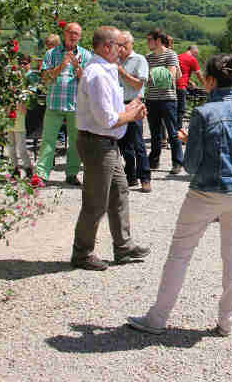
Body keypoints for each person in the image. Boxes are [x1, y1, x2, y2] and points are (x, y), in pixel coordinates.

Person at [127, 54, 232, 336]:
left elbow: (192, 165)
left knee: (180, 254)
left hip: (206, 192)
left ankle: (157, 318)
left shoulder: (203, 113)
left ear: (210, 80)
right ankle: (227, 322)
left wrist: (189, 141)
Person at [70, 26, 150, 271]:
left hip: (105, 142)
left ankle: (123, 246)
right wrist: (132, 114)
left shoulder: (104, 71)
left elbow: (109, 115)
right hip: (97, 143)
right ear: (106, 47)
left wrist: (129, 110)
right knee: (96, 202)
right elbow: (106, 120)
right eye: (120, 45)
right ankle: (82, 253)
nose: (124, 50)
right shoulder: (98, 75)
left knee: (119, 193)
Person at [37, 22, 90, 186]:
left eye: (77, 34)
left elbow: (88, 81)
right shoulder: (51, 54)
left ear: (80, 37)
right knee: (47, 140)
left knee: (75, 142)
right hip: (54, 103)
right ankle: (41, 175)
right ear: (64, 33)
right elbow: (45, 78)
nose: (73, 36)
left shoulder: (86, 55)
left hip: (76, 105)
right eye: (71, 32)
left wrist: (77, 67)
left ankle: (72, 174)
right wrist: (61, 66)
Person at [145, 28, 184, 174]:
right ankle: (153, 161)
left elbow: (170, 78)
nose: (147, 42)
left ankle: (177, 162)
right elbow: (145, 78)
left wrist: (152, 76)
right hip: (151, 99)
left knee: (172, 132)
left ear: (158, 41)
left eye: (150, 40)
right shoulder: (148, 57)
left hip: (168, 99)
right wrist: (159, 74)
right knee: (155, 133)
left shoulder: (171, 54)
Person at [117, 30, 151, 192]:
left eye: (124, 45)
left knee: (138, 143)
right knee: (123, 144)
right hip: (119, 105)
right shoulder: (114, 60)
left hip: (135, 103)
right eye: (118, 45)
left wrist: (121, 72)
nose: (121, 48)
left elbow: (139, 85)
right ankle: (130, 176)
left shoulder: (139, 60)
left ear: (131, 44)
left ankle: (145, 178)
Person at [5, 54, 33, 176]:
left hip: (19, 118)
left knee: (21, 148)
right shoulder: (10, 83)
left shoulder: (27, 85)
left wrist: (24, 105)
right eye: (20, 63)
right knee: (10, 147)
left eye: (25, 63)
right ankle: (14, 168)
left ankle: (28, 168)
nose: (22, 65)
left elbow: (27, 103)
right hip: (8, 116)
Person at [176, 45, 202, 126]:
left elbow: (182, 73)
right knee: (180, 111)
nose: (197, 55)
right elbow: (199, 74)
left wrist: (189, 81)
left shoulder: (178, 56)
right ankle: (178, 132)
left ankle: (170, 133)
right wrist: (206, 85)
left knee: (172, 110)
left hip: (172, 86)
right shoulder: (192, 59)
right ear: (193, 50)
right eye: (196, 53)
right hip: (181, 87)